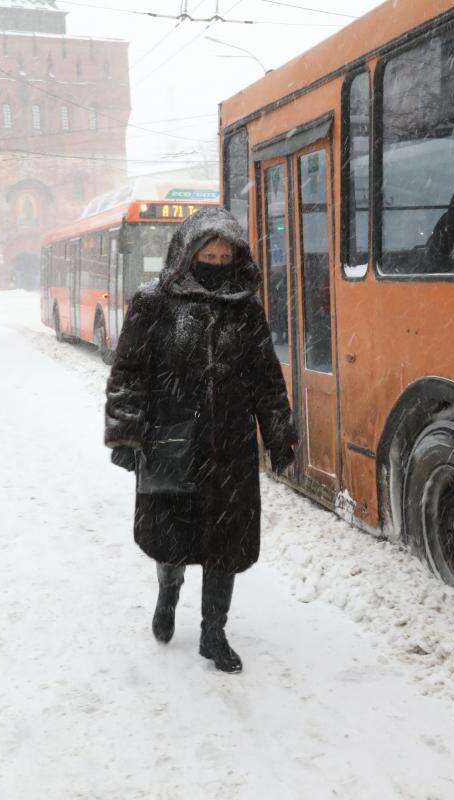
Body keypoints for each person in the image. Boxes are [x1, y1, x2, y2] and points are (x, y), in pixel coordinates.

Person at [105, 207, 296, 674]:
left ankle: (214, 632)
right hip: (171, 444)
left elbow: (265, 378)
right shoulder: (153, 303)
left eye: (223, 253)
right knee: (172, 539)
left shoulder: (245, 309)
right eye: (206, 253)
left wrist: (278, 434)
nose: (215, 261)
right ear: (187, 253)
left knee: (224, 544)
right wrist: (127, 434)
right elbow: (128, 374)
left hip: (229, 449)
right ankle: (168, 593)